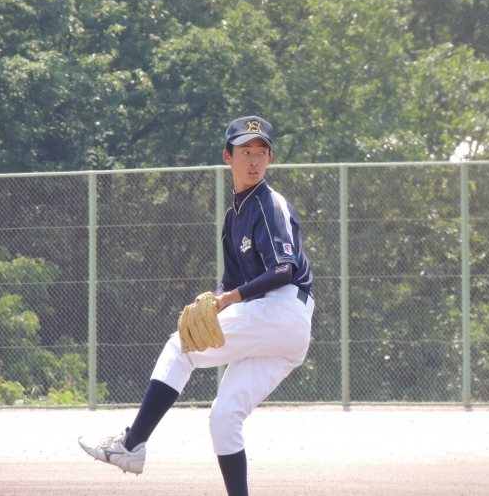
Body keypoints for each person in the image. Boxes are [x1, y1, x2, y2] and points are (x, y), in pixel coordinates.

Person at [78, 115, 314, 496]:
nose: (254, 159)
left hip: (282, 309)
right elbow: (231, 281)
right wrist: (213, 298)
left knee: (181, 346)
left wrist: (229, 299)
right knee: (224, 418)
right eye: (245, 151)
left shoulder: (269, 205)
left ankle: (131, 445)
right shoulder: (233, 219)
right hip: (278, 326)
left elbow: (284, 270)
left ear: (270, 159)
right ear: (228, 156)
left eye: (261, 152)